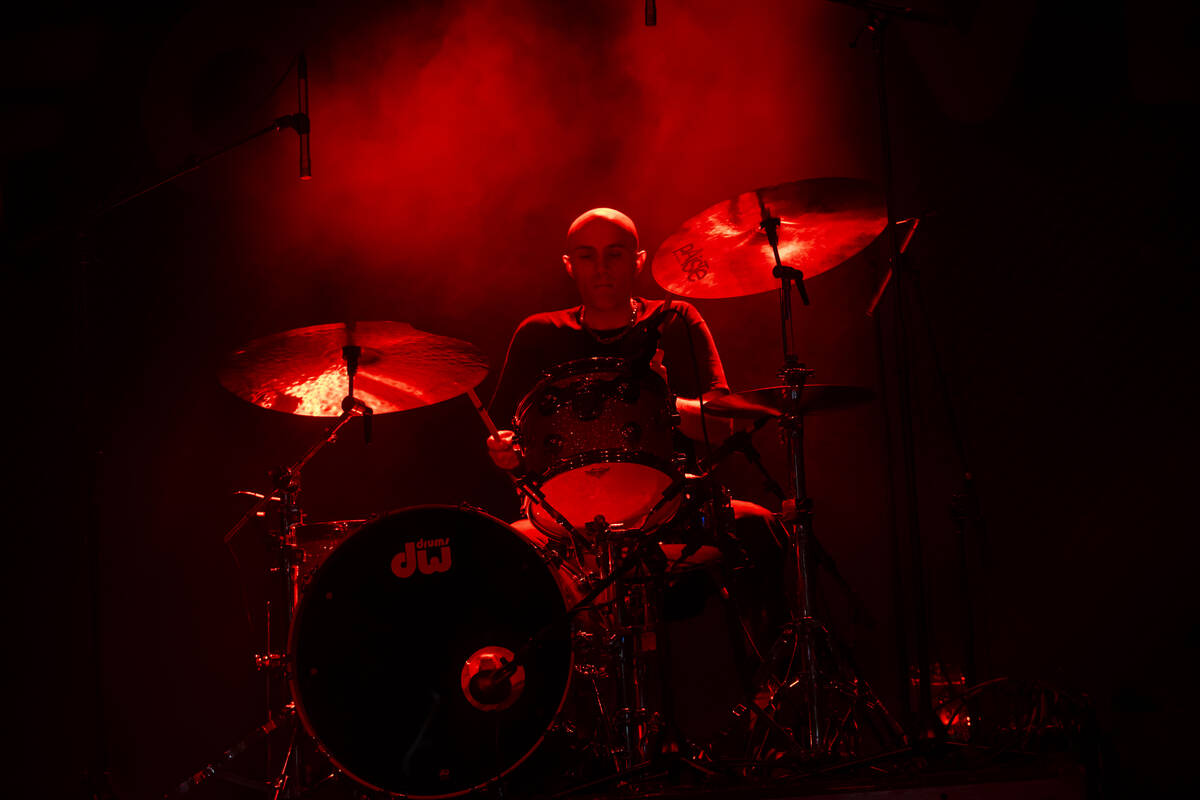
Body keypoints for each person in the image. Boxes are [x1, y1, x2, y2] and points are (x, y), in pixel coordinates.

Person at [484, 209, 787, 702]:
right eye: (588, 256)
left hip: (671, 514)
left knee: (762, 527)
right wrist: (502, 450)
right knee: (504, 551)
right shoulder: (539, 333)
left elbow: (723, 420)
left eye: (615, 254)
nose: (601, 267)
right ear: (569, 266)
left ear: (639, 261)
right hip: (564, 521)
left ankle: (768, 699)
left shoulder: (676, 318)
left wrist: (660, 399)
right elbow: (505, 434)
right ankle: (545, 718)